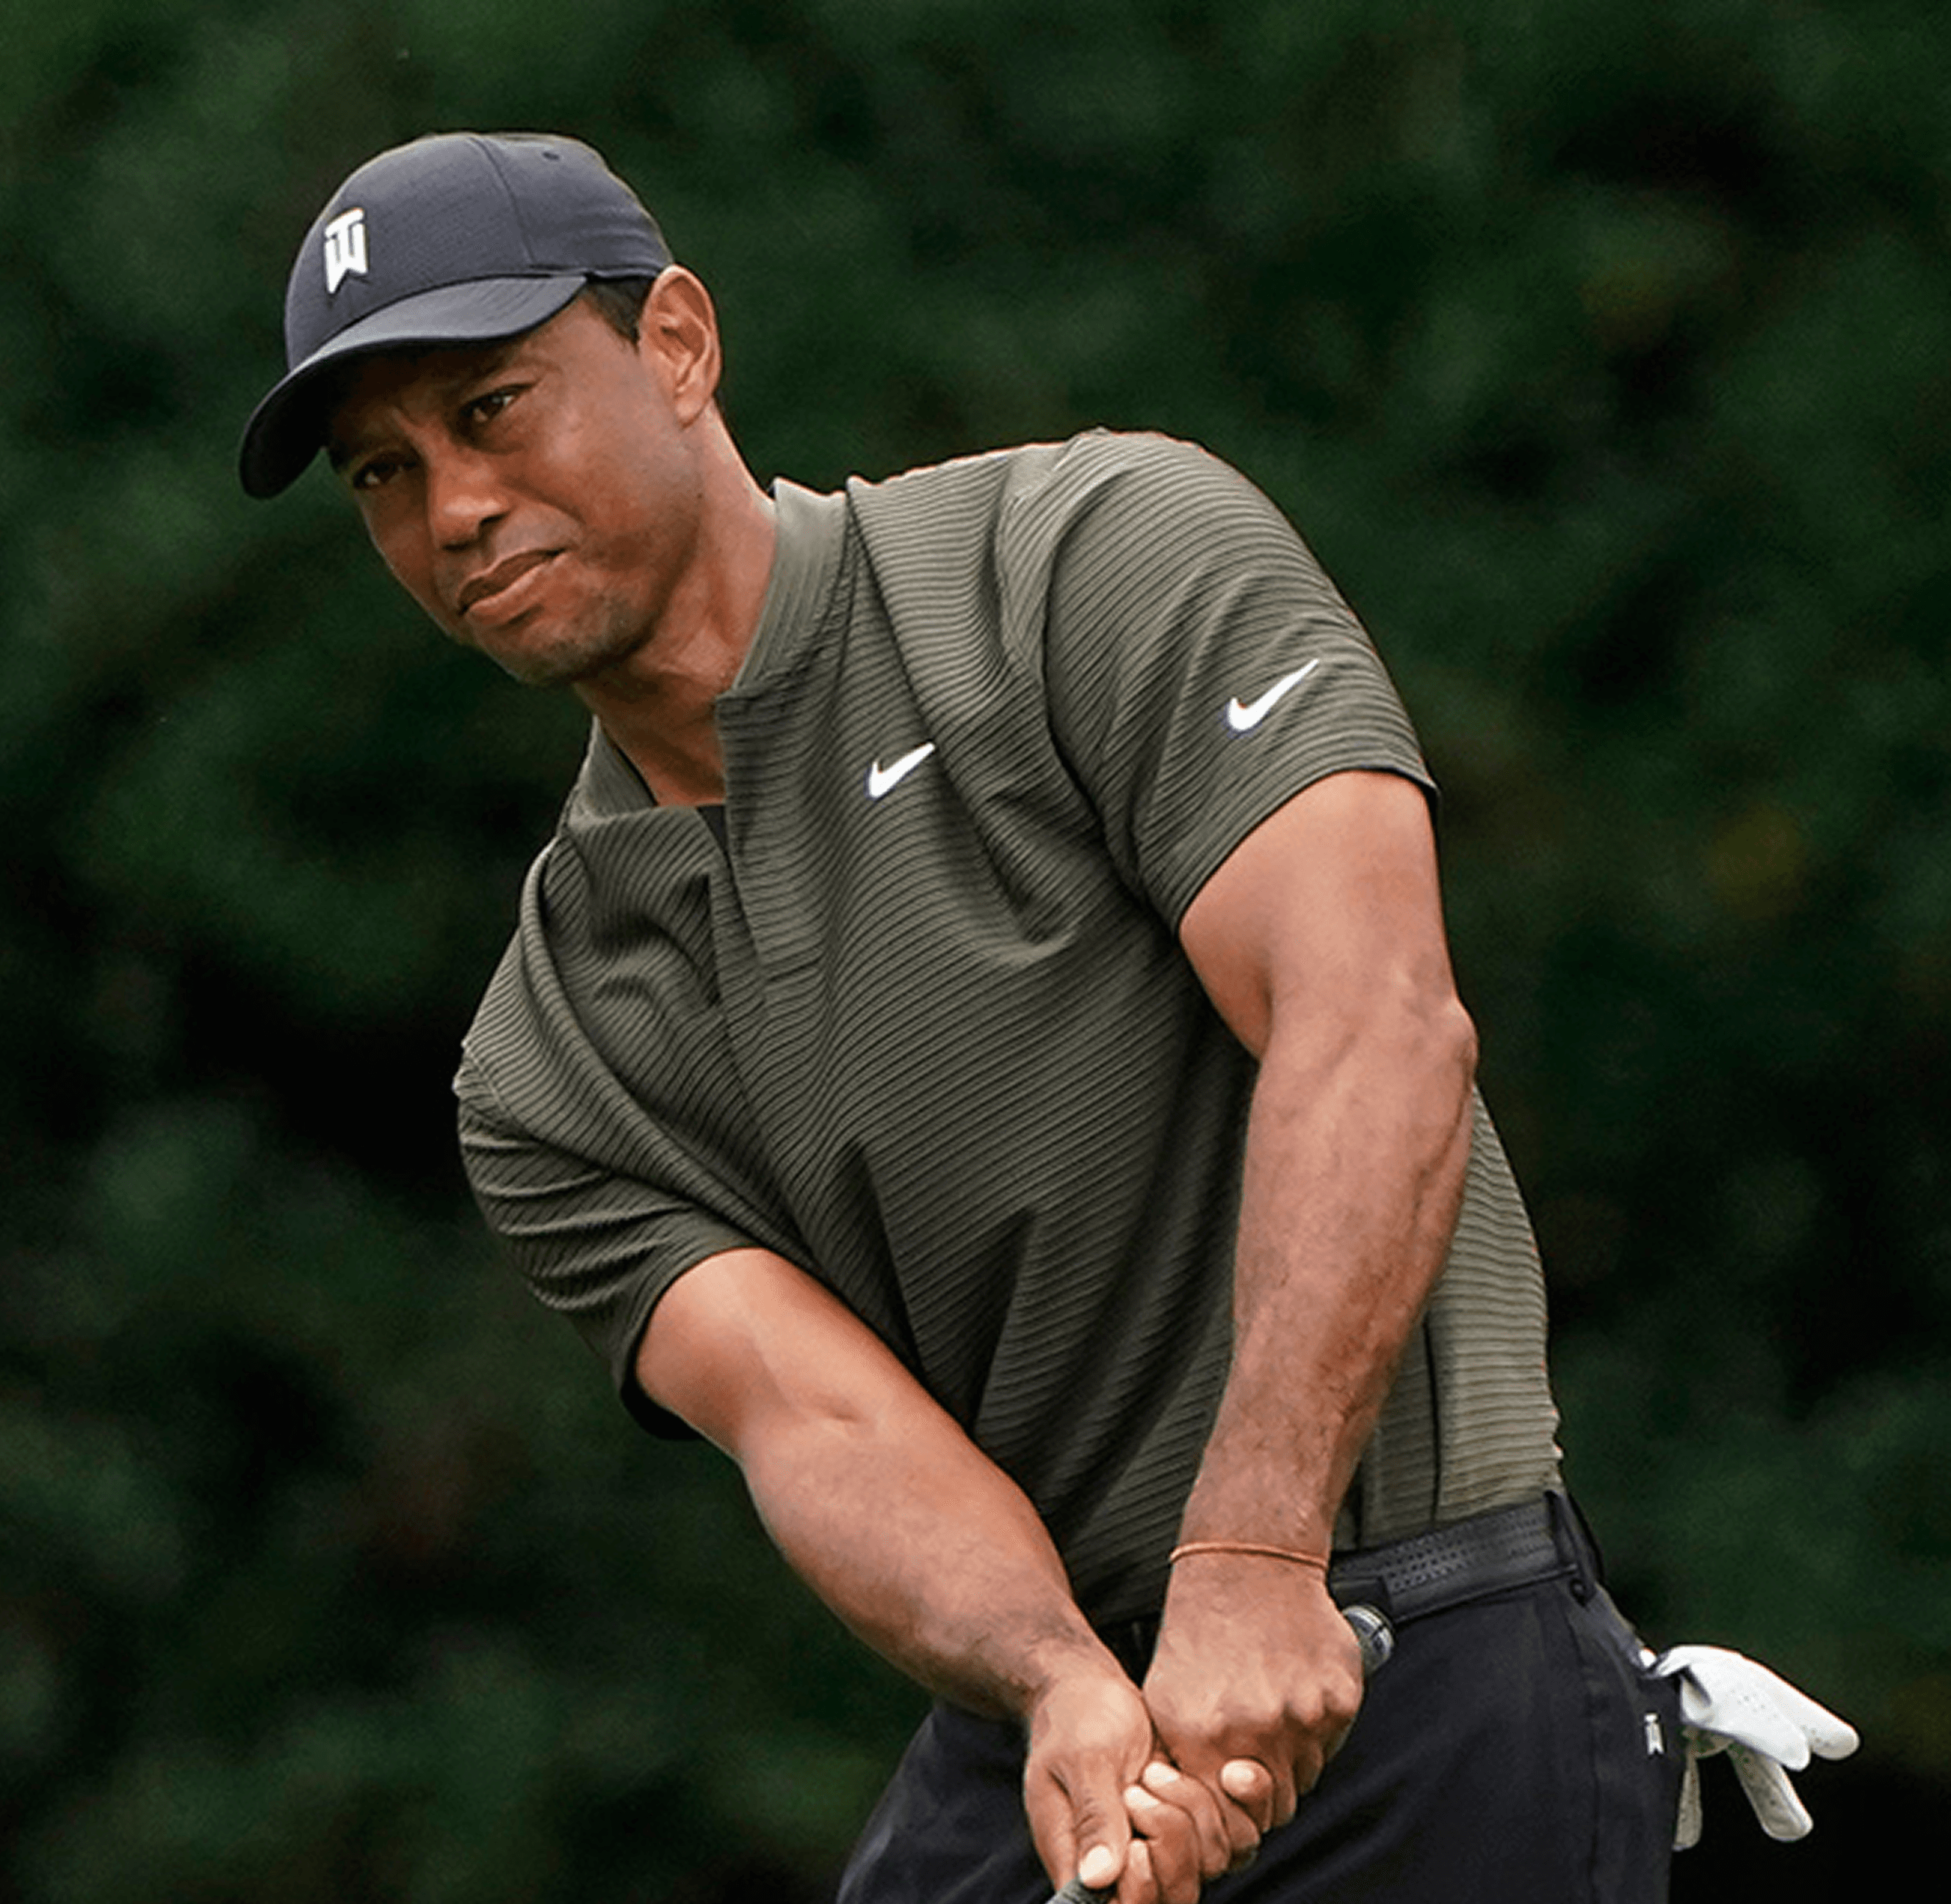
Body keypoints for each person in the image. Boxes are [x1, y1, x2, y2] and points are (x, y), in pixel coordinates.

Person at [237, 131, 1850, 1903]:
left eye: (493, 410)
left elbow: (1374, 1025)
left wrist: (1251, 1558)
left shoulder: (1082, 562)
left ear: (679, 347)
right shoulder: (547, 1062)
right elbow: (826, 1431)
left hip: (1416, 1635)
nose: (450, 508)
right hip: (1068, 1719)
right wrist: (1057, 1679)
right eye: (383, 473)